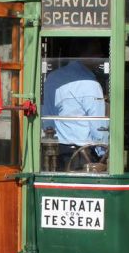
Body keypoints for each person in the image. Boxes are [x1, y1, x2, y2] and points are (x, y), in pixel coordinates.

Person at [42, 38, 108, 167]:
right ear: (84, 55)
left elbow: (47, 117)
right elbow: (98, 126)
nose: (100, 56)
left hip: (57, 151)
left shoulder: (53, 78)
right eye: (96, 52)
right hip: (83, 154)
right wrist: (103, 153)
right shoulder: (91, 84)